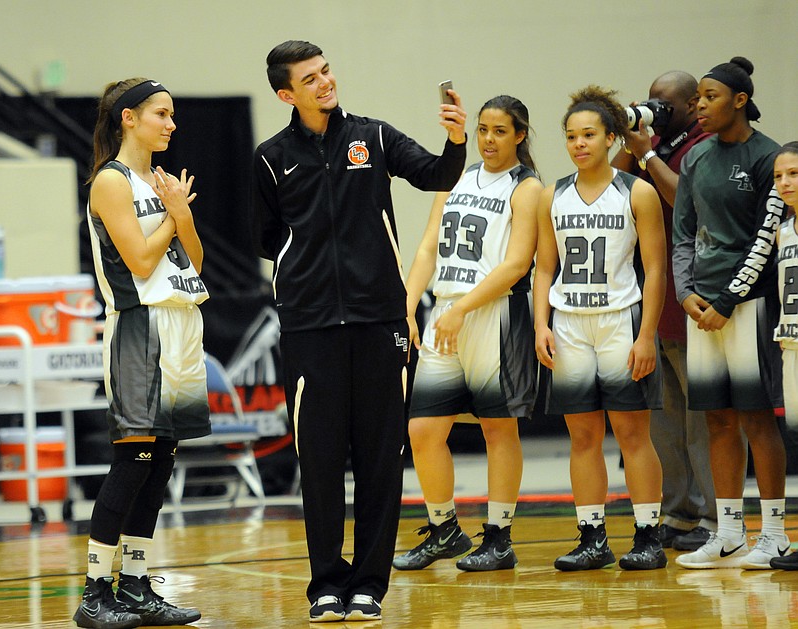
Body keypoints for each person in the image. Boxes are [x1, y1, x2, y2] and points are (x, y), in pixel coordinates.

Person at [250, 41, 466, 622]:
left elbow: (435, 174)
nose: (325, 83)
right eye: (310, 78)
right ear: (285, 93)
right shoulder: (271, 157)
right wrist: (306, 265)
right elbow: (266, 236)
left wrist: (455, 138)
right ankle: (326, 585)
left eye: (326, 72)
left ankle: (370, 583)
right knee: (318, 460)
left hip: (379, 324)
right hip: (309, 327)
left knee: (377, 458)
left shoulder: (371, 135)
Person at [73, 78, 208, 629]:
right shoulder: (111, 181)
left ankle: (135, 584)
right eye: (162, 114)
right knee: (134, 461)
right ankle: (93, 591)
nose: (171, 124)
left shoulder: (159, 181)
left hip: (181, 323)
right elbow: (141, 262)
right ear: (129, 118)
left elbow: (193, 263)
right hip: (139, 328)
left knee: (161, 465)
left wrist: (183, 214)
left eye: (173, 115)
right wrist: (174, 216)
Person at [391, 96, 542, 573]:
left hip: (494, 313)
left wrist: (463, 308)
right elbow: (428, 246)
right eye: (482, 130)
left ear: (519, 135)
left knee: (500, 429)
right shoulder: (455, 175)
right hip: (446, 312)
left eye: (499, 131)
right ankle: (444, 530)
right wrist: (409, 304)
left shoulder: (528, 187)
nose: (488, 140)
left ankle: (499, 537)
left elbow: (518, 264)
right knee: (422, 430)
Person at [534, 85, 668, 571]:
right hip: (569, 325)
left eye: (589, 134)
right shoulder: (552, 195)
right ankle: (593, 537)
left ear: (612, 137)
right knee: (583, 437)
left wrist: (646, 334)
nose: (579, 144)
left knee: (633, 435)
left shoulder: (639, 192)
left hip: (620, 321)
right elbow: (543, 269)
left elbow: (655, 269)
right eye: (571, 136)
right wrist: (540, 326)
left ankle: (649, 535)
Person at [672, 57, 789, 570]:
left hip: (751, 306)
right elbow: (682, 234)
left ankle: (777, 536)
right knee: (718, 419)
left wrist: (726, 302)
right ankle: (728, 533)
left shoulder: (767, 157)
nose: (699, 105)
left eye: (711, 96)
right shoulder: (695, 158)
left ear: (740, 101)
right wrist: (686, 294)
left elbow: (765, 242)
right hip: (703, 310)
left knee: (757, 419)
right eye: (697, 96)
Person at [611, 71, 716, 551]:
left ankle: (717, 520)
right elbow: (611, 185)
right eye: (651, 101)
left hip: (696, 307)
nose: (657, 109)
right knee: (666, 425)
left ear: (694, 104)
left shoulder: (703, 145)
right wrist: (635, 142)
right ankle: (678, 514)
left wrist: (649, 152)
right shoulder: (653, 145)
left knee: (702, 424)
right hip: (656, 312)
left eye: (665, 103)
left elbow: (683, 201)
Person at [766, 142, 798, 570]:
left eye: (793, 174)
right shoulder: (782, 230)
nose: (785, 183)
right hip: (791, 344)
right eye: (778, 177)